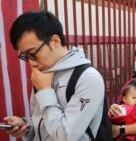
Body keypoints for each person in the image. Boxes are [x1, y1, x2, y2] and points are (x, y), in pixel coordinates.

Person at [3, 11, 105, 141]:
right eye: (26, 56)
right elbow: (41, 120)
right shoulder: (43, 73)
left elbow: (66, 136)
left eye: (33, 53)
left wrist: (45, 91)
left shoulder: (88, 78)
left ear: (55, 41)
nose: (32, 63)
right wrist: (27, 127)